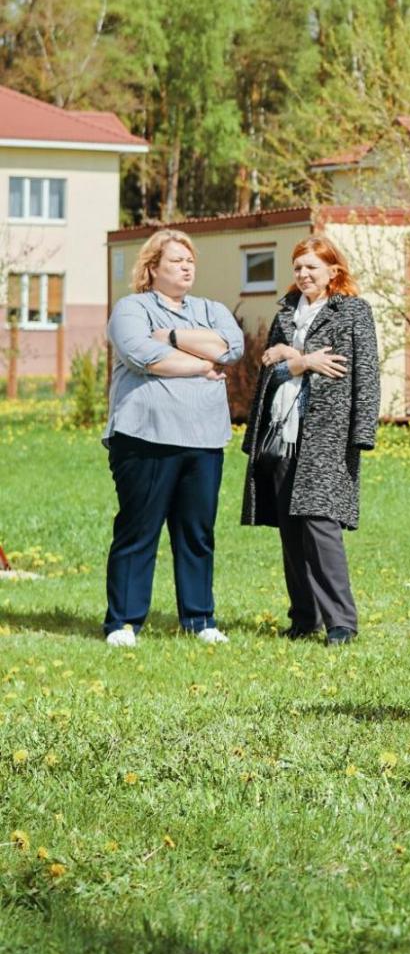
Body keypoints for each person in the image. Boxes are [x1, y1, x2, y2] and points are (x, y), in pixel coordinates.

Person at [103, 229, 244, 646]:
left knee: (197, 532)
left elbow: (231, 348)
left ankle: (200, 619)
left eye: (190, 261)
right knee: (139, 529)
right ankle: (123, 622)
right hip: (146, 438)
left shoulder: (211, 308)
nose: (186, 267)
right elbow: (141, 355)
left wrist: (173, 338)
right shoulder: (132, 308)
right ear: (152, 268)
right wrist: (202, 365)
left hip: (204, 440)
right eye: (176, 261)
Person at [241, 237, 380, 644]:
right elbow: (268, 374)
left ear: (333, 271)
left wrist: (362, 433)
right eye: (297, 267)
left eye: (311, 268)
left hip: (329, 436)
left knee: (321, 526)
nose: (303, 275)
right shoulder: (285, 313)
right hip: (282, 433)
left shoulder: (352, 311)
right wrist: (299, 360)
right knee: (290, 527)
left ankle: (341, 622)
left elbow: (366, 373)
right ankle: (304, 618)